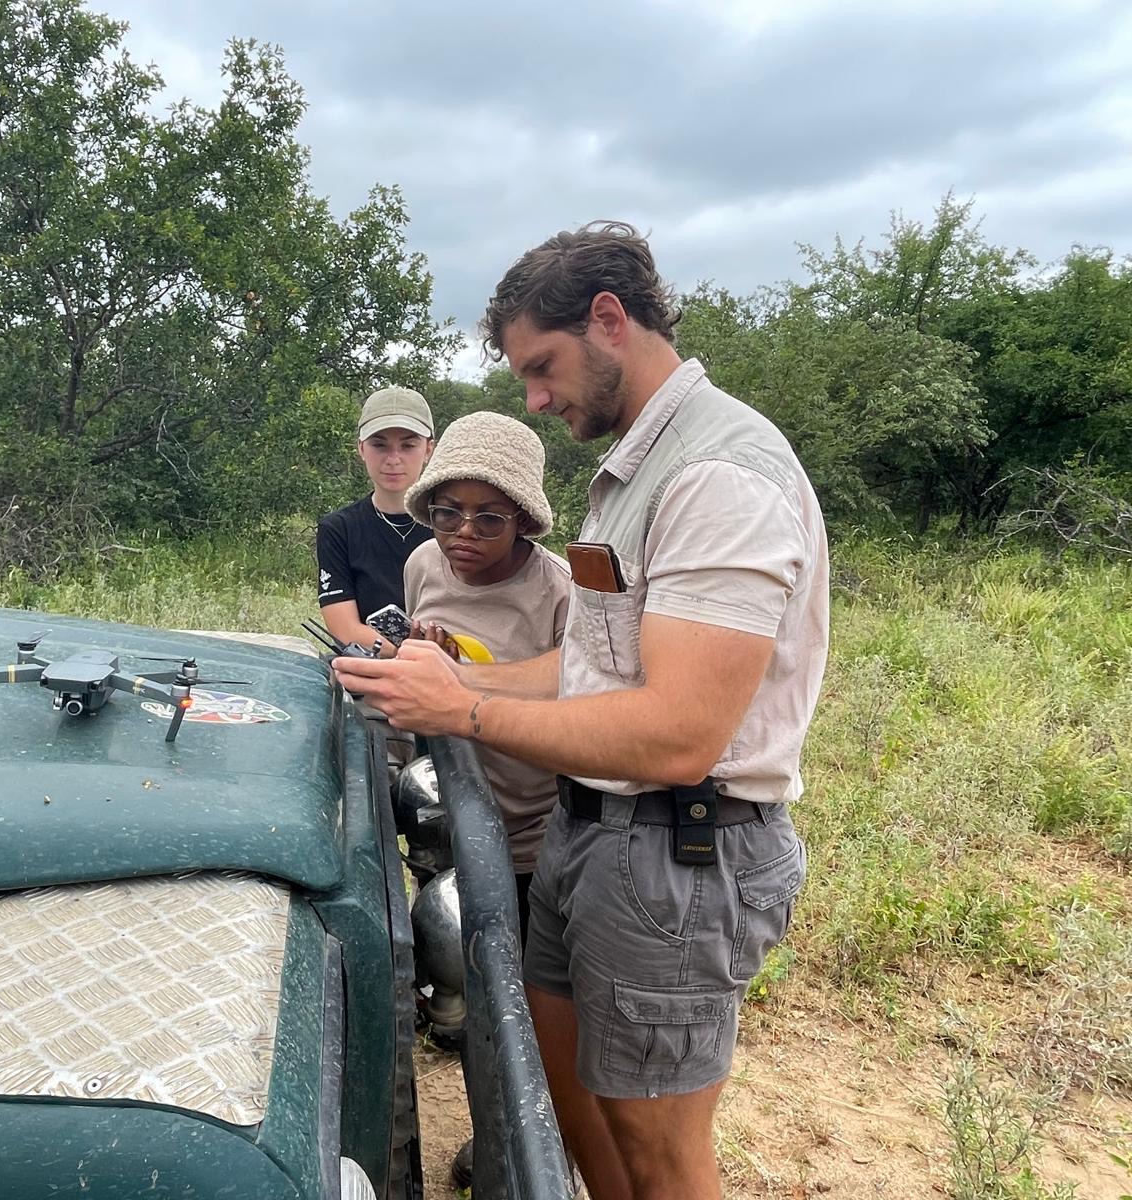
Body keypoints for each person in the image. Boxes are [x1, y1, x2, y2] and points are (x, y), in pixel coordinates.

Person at [334, 221, 829, 1200]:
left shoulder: (718, 476)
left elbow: (677, 734)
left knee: (658, 1157)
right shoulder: (633, 472)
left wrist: (465, 716)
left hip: (679, 854)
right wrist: (447, 682)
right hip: (590, 833)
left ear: (609, 320)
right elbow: (591, 669)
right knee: (571, 1114)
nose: (535, 397)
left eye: (541, 367)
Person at [401, 410, 570, 928]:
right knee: (441, 944)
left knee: (509, 963)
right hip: (440, 810)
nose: (463, 532)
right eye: (447, 513)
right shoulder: (423, 564)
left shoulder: (558, 591)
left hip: (527, 832)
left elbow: (577, 701)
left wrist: (463, 681)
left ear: (522, 518)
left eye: (490, 518)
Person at [315, 386, 435, 657]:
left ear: (429, 449)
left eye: (408, 445)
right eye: (379, 445)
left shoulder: (453, 524)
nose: (393, 459)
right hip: (373, 675)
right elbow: (345, 630)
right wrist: (417, 656)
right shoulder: (338, 529)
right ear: (361, 449)